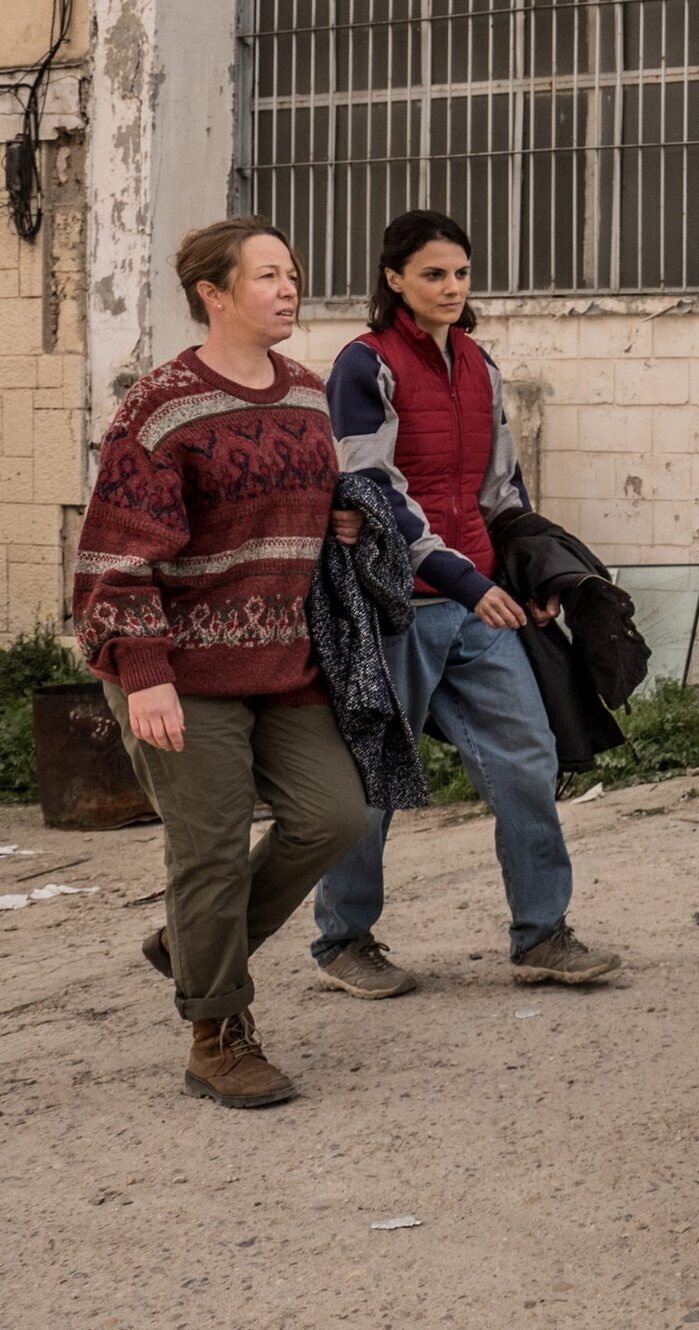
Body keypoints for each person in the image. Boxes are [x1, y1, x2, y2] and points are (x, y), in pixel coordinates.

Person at [73, 217, 370, 1107]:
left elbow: (303, 508)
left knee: (337, 817)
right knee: (207, 847)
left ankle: (190, 942)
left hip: (282, 661)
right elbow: (115, 556)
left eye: (293, 273)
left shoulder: (311, 395)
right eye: (269, 275)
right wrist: (145, 670)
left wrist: (343, 520)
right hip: (176, 669)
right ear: (213, 292)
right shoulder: (160, 407)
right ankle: (217, 1033)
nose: (289, 289)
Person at [312, 210, 622, 996]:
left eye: (460, 274)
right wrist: (467, 582)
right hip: (396, 607)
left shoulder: (479, 365)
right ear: (393, 280)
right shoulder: (364, 365)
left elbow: (500, 491)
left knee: (528, 759)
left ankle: (541, 935)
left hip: (476, 605)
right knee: (374, 780)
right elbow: (372, 489)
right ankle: (344, 941)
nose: (451, 289)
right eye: (432, 275)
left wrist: (531, 579)